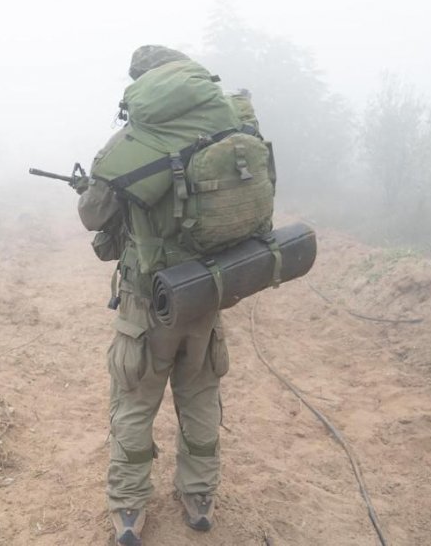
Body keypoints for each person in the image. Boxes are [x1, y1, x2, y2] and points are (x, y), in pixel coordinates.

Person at [78, 46, 269, 545]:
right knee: (201, 394)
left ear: (142, 86)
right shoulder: (233, 125)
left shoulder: (133, 143)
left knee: (136, 399)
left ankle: (128, 508)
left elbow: (93, 217)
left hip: (149, 301)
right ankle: (199, 497)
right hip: (207, 292)